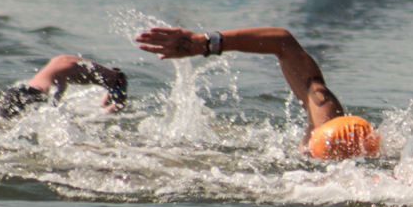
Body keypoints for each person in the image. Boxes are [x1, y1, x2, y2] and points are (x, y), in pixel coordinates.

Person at [134, 26, 379, 159]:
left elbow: (284, 41)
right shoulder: (328, 121)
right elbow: (283, 42)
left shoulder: (325, 127)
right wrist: (204, 43)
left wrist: (207, 42)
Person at [0, 56, 127, 119]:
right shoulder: (115, 79)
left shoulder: (64, 61)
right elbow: (115, 105)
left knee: (2, 122)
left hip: (17, 92)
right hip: (34, 95)